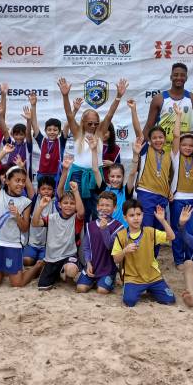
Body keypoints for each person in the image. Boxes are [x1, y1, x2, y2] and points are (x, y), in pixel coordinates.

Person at [57, 76, 127, 220]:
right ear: (83, 122)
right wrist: (65, 96)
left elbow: (109, 115)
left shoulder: (100, 133)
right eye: (90, 123)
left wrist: (119, 96)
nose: (93, 126)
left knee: (97, 211)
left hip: (95, 176)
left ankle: (95, 238)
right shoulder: (77, 132)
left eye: (96, 123)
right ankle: (76, 240)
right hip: (77, 175)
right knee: (76, 211)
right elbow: (69, 115)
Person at [112, 200, 177, 307]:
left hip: (153, 276)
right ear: (125, 217)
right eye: (132, 215)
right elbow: (116, 259)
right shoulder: (121, 236)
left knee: (170, 300)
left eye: (138, 214)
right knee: (129, 301)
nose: (136, 218)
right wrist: (125, 251)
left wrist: (162, 220)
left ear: (143, 215)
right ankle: (134, 289)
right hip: (133, 278)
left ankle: (151, 289)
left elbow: (172, 237)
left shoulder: (149, 231)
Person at [0, 157, 33, 288]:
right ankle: (8, 269)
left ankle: (37, 268)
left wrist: (17, 216)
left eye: (23, 181)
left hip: (13, 244)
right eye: (17, 180)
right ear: (7, 181)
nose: (21, 184)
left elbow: (25, 228)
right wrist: (4, 152)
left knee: (17, 283)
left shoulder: (25, 202)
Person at [31, 181, 85, 290]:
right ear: (59, 205)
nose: (69, 206)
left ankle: (66, 275)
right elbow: (35, 223)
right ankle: (53, 272)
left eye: (72, 203)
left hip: (68, 256)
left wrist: (75, 191)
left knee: (71, 270)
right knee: (43, 287)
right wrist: (40, 207)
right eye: (65, 203)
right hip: (52, 257)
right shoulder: (52, 218)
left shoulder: (76, 218)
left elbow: (81, 212)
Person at [142, 63, 193, 150]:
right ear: (171, 77)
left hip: (183, 150)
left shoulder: (192, 98)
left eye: (182, 75)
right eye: (175, 75)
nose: (179, 77)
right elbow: (148, 127)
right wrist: (149, 149)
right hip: (162, 149)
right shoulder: (159, 99)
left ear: (186, 78)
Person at [76, 191, 125, 294]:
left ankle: (108, 279)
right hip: (92, 266)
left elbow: (109, 246)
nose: (104, 208)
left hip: (107, 268)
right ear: (97, 207)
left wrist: (104, 230)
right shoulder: (90, 225)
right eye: (102, 205)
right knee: (81, 288)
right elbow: (86, 247)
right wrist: (88, 263)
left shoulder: (119, 227)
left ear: (114, 208)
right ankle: (94, 280)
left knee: (102, 291)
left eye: (108, 205)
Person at [170, 103, 193, 267]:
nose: (187, 147)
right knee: (178, 230)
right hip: (178, 198)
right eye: (184, 145)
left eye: (190, 145)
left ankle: (190, 258)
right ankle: (179, 259)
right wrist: (179, 116)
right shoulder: (175, 156)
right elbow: (175, 136)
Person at [26, 92, 67, 182]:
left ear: (59, 131)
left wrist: (74, 110)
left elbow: (68, 123)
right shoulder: (42, 140)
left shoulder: (61, 141)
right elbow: (34, 124)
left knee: (56, 195)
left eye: (55, 130)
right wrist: (33, 105)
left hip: (56, 174)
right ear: (45, 130)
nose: (52, 132)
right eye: (49, 129)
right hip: (42, 174)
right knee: (42, 195)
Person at [23, 175, 57, 267]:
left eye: (49, 189)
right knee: (27, 261)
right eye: (43, 188)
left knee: (41, 264)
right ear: (38, 190)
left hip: (47, 245)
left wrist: (65, 171)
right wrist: (22, 168)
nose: (46, 191)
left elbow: (61, 186)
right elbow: (29, 186)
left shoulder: (56, 203)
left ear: (53, 191)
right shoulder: (34, 200)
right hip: (32, 244)